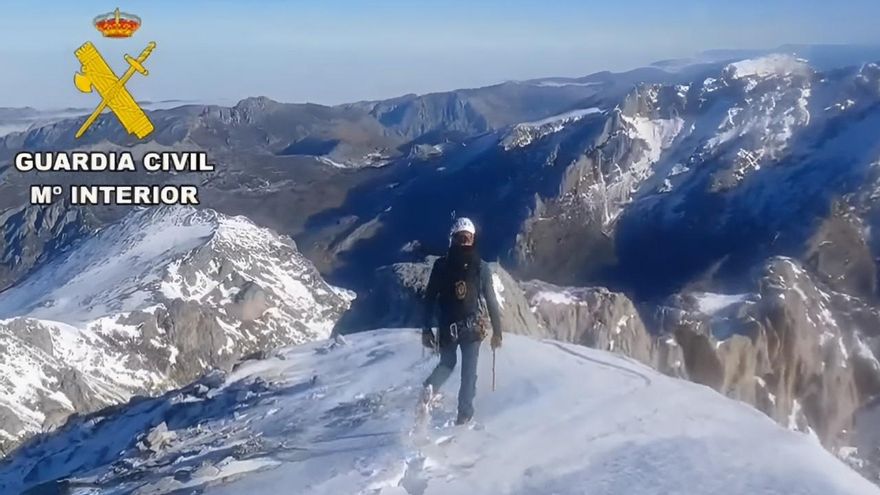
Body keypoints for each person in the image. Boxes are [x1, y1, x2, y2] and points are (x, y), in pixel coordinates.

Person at [420, 217, 503, 425]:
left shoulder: (441, 265)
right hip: (473, 326)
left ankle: (430, 387)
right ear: (472, 239)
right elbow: (491, 300)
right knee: (469, 373)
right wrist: (497, 332)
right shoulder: (481, 267)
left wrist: (426, 328)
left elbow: (429, 298)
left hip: (447, 326)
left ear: (453, 239)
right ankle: (464, 414)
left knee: (447, 363)